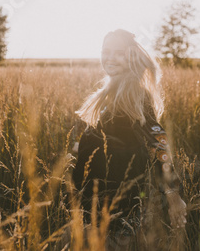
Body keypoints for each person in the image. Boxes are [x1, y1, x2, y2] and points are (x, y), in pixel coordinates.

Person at [72, 29, 187, 248]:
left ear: (131, 55)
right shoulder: (110, 91)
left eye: (118, 53)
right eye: (106, 51)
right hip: (96, 201)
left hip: (117, 204)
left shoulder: (133, 92)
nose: (110, 58)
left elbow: (158, 140)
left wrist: (174, 196)